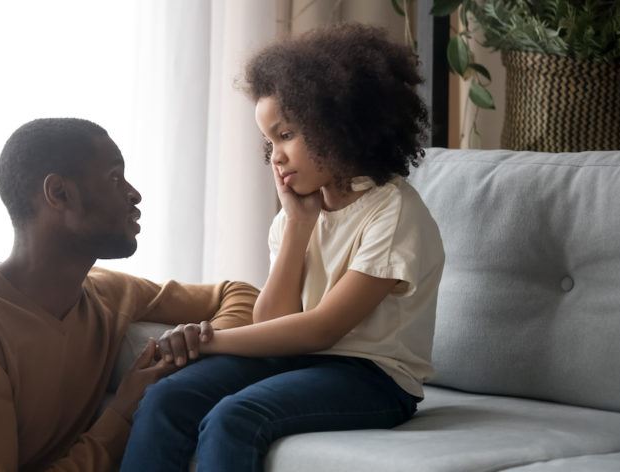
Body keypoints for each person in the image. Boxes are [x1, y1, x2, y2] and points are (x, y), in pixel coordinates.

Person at [120, 23, 445, 472]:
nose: (275, 156)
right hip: (300, 362)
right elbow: (274, 322)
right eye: (269, 141)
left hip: (374, 379)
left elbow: (321, 330)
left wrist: (209, 340)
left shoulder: (392, 213)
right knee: (167, 397)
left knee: (235, 418)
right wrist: (297, 224)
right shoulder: (297, 216)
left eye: (287, 134)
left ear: (337, 125)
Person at [0, 118, 258, 471]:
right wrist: (121, 414)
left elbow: (239, 293)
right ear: (59, 194)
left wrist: (204, 346)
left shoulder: (108, 293)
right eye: (115, 178)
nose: (134, 194)